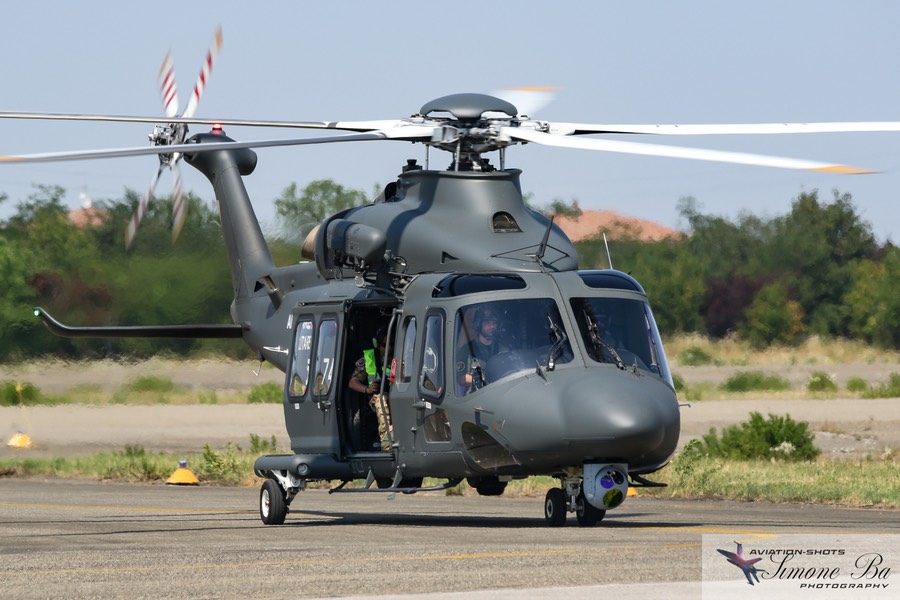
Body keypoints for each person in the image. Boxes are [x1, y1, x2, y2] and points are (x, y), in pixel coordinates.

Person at [348, 328, 393, 450]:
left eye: (391, 344)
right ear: (378, 346)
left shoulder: (402, 356)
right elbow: (353, 383)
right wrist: (367, 389)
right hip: (377, 397)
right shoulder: (368, 359)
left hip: (398, 396)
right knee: (381, 401)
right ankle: (387, 443)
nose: (389, 348)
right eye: (385, 345)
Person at [456, 306, 504, 394]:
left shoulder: (503, 349)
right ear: (479, 324)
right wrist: (478, 379)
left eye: (494, 323)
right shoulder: (467, 350)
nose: (492, 326)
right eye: (487, 323)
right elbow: (459, 377)